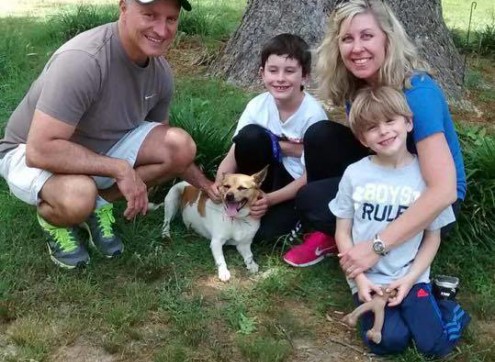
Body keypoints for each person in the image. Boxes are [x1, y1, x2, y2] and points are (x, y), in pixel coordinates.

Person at [0, 0, 213, 269]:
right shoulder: (84, 60)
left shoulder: (160, 74)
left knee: (179, 145)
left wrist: (206, 185)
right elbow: (39, 150)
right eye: (149, 15)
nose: (161, 30)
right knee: (78, 195)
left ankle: (98, 205)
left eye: (170, 19)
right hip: (27, 152)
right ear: (123, 8)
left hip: (98, 149)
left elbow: (159, 138)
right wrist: (120, 169)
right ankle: (55, 219)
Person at [283, 0, 466, 271]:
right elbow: (372, 150)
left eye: (367, 36)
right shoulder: (358, 89)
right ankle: (335, 233)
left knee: (314, 203)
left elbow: (444, 190)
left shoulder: (418, 93)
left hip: (432, 196)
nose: (357, 48)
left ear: (387, 40)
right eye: (347, 39)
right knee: (320, 136)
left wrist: (377, 245)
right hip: (390, 167)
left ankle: (354, 235)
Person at [330, 86, 470, 356]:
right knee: (387, 342)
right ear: (362, 138)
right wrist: (359, 280)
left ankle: (447, 306)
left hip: (410, 277)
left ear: (408, 122)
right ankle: (407, 317)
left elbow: (432, 237)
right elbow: (342, 232)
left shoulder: (427, 178)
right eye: (372, 127)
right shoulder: (354, 174)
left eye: (390, 121)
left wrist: (409, 280)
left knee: (435, 346)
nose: (383, 131)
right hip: (369, 281)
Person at [206, 33, 329, 242]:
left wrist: (268, 200)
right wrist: (220, 182)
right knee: (250, 136)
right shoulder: (257, 106)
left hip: (293, 182)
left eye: (289, 71)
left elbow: (310, 176)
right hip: (259, 176)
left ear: (305, 76)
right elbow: (234, 153)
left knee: (266, 236)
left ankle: (291, 217)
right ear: (262, 73)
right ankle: (244, 200)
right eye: (273, 70)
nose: (280, 78)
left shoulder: (313, 115)